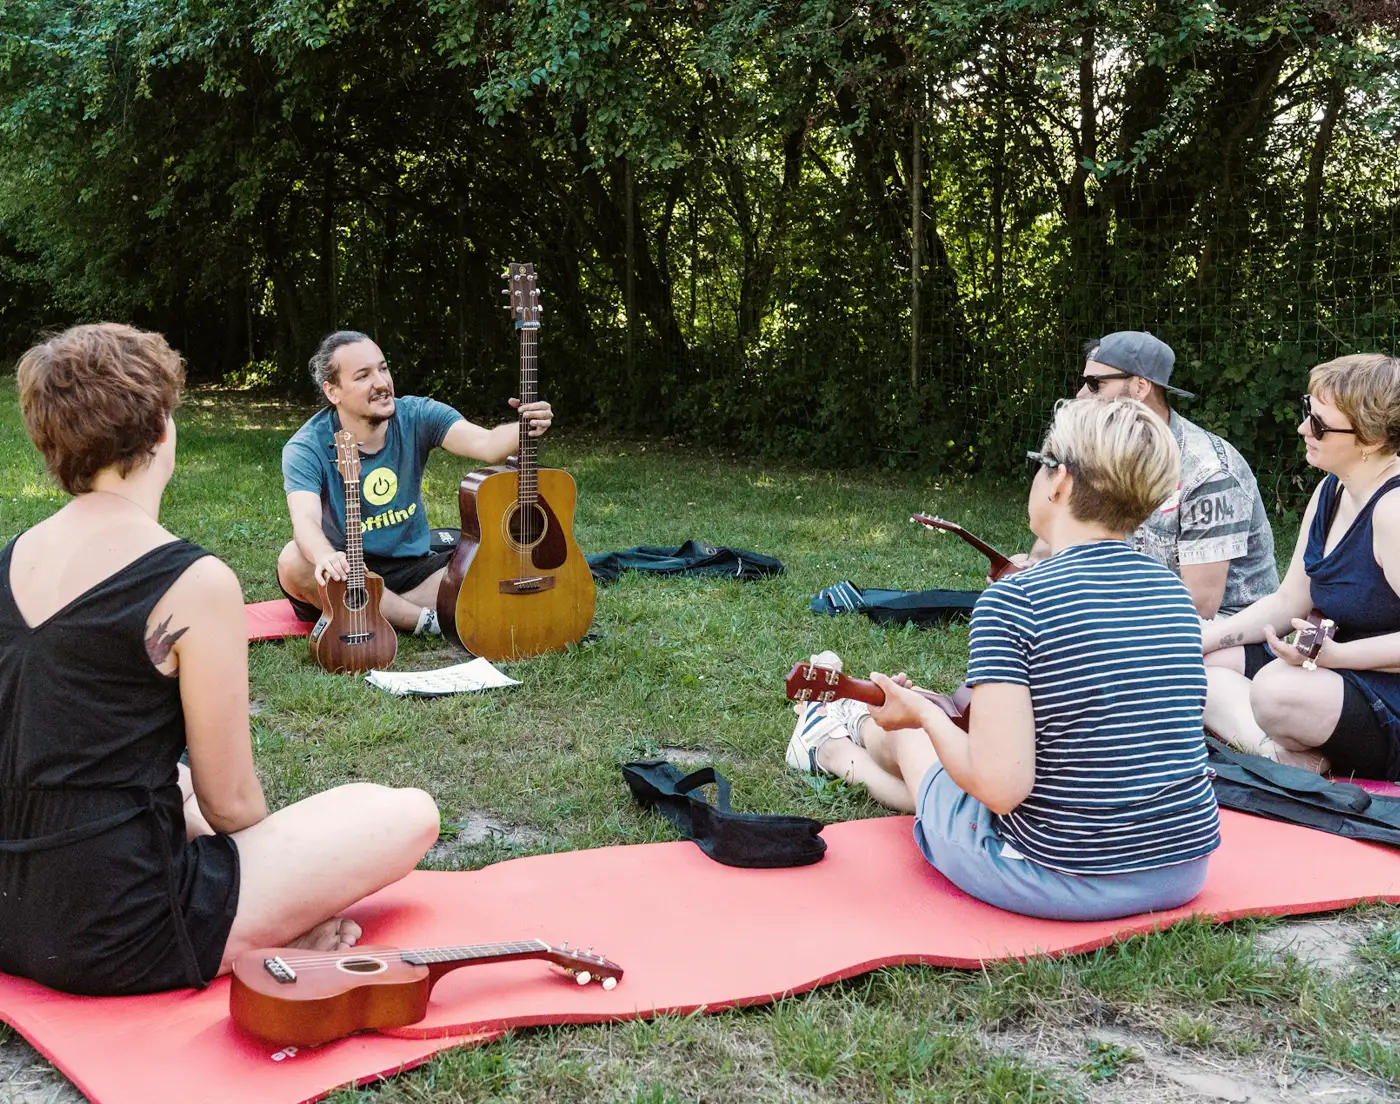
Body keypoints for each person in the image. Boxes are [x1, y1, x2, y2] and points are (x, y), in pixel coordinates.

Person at [1, 324, 441, 996]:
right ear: (160, 430)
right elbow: (232, 803)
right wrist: (290, 905)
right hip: (117, 929)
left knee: (163, 777)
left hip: (12, 910)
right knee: (407, 813)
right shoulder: (190, 582)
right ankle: (254, 926)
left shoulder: (10, 559)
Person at [788, 398, 1219, 920]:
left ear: (1059, 481)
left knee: (913, 737)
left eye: (1040, 462)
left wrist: (924, 713)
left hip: (1056, 876)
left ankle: (833, 745)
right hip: (1182, 870)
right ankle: (842, 733)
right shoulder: (1170, 593)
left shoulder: (1015, 600)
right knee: (935, 750)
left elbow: (1000, 788)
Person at [1201, 354, 1400, 780]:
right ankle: (1285, 758)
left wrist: (1338, 656)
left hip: (1384, 690)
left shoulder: (1393, 511)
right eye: (1307, 409)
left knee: (1276, 692)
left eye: (1320, 423)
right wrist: (1201, 639)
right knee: (1204, 665)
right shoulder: (1332, 489)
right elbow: (1289, 599)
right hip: (1333, 668)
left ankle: (1278, 748)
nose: (1303, 428)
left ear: (1370, 438)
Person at [276, 330, 555, 634]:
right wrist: (325, 556)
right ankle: (424, 621)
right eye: (363, 376)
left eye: (383, 368)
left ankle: (369, 609)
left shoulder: (418, 414)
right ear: (333, 391)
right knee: (293, 561)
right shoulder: (306, 446)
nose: (381, 383)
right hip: (343, 569)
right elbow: (305, 520)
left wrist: (525, 426)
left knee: (496, 568)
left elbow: (487, 444)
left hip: (412, 569)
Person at [1020, 332, 1277, 619]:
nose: (1080, 395)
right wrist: (1030, 569)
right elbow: (1063, 525)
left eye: (1095, 384)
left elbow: (1200, 605)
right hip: (1136, 611)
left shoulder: (1208, 471)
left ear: (1141, 386)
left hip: (1227, 627)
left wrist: (1086, 606)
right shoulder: (1100, 450)